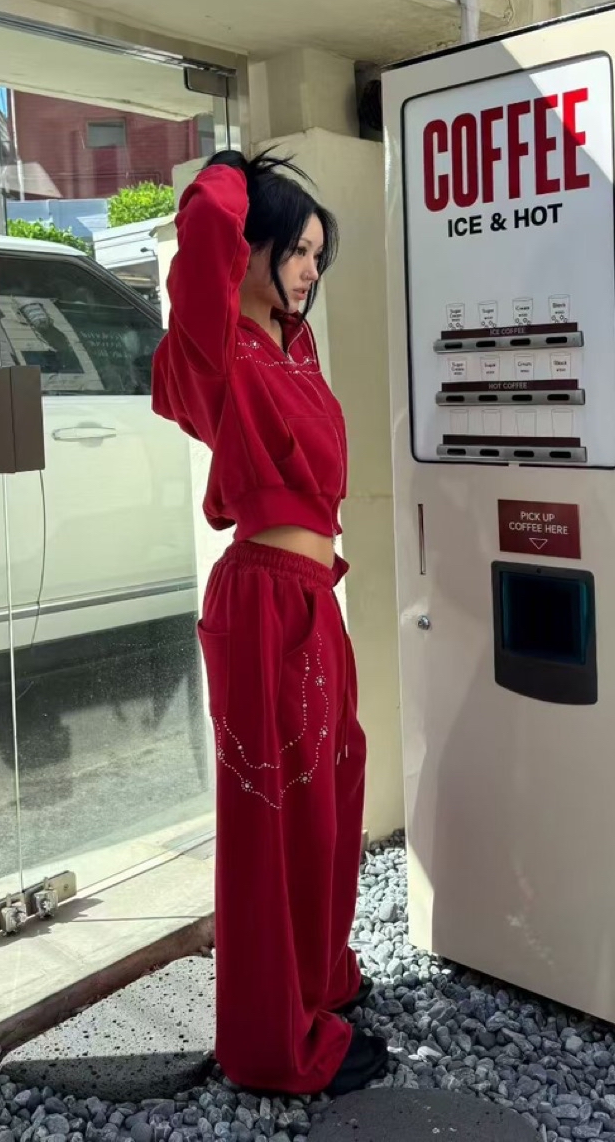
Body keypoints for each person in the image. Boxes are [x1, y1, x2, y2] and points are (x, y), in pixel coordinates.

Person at [151, 150, 389, 1097]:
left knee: (331, 793)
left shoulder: (297, 349)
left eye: (319, 257)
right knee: (271, 820)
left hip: (311, 598)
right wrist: (234, 171)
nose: (309, 271)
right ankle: (269, 1044)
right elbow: (207, 225)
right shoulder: (213, 348)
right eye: (297, 249)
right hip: (260, 602)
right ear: (251, 247)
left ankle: (318, 984)